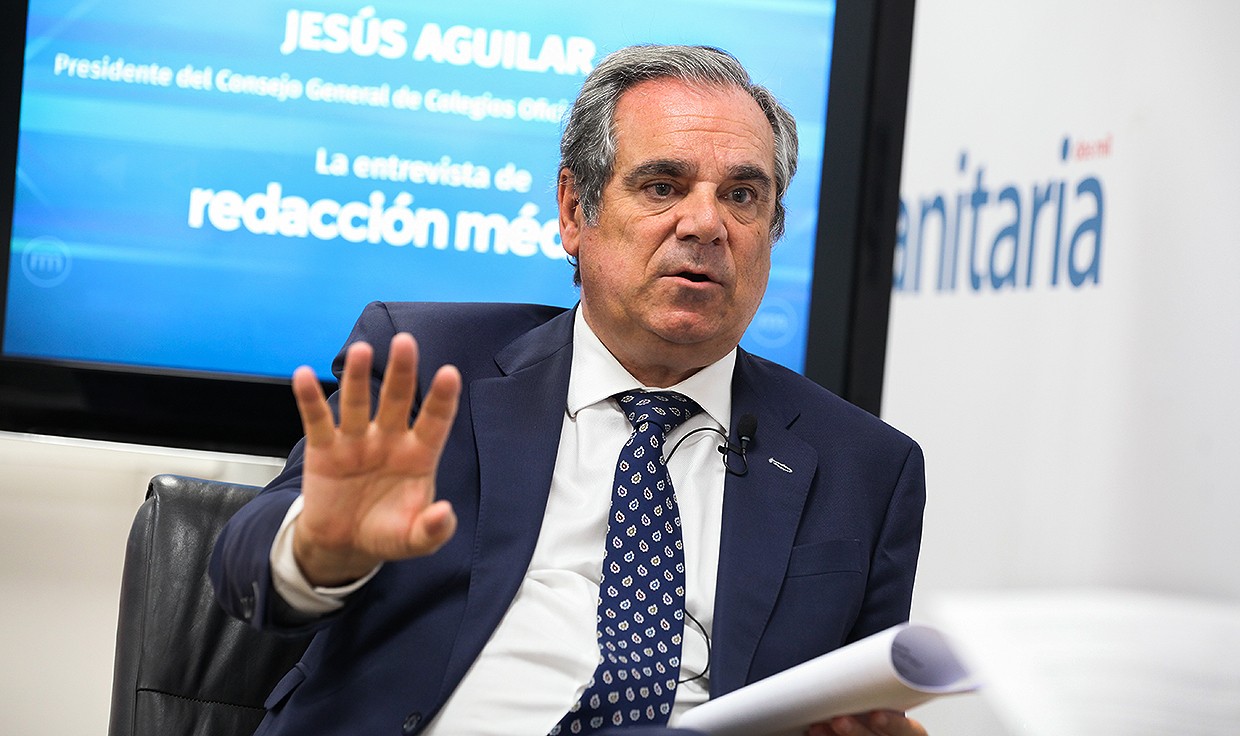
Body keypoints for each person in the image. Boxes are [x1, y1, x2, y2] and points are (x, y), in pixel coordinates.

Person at [210, 44, 927, 736]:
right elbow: (241, 569)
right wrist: (319, 550)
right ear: (574, 210)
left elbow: (858, 701)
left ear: (772, 230)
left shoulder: (864, 469)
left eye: (742, 196)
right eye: (662, 186)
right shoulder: (430, 365)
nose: (707, 224)